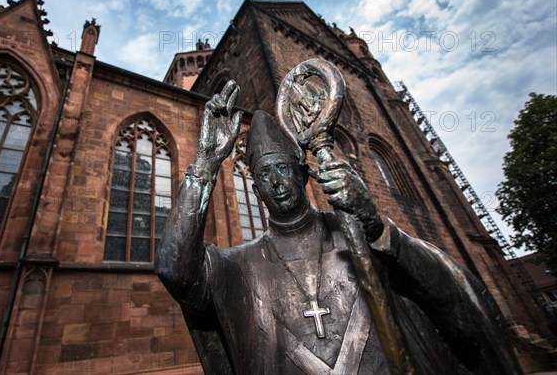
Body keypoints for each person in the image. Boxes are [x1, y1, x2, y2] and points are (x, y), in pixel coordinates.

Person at [155, 81, 521, 374]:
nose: (277, 182)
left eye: (283, 168)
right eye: (264, 175)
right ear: (255, 190)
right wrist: (205, 164)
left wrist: (375, 226)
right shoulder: (236, 266)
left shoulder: (358, 236)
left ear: (303, 174)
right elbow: (175, 269)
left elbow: (446, 295)